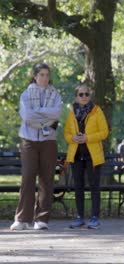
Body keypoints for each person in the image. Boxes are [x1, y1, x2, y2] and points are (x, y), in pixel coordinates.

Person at [10, 63, 62, 231]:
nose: (45, 78)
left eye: (47, 75)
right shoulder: (25, 95)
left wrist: (39, 113)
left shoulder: (56, 95)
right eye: (41, 75)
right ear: (35, 76)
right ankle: (22, 219)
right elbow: (27, 116)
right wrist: (45, 116)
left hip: (49, 141)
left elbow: (56, 115)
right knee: (28, 177)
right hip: (29, 140)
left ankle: (41, 219)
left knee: (47, 179)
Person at [64, 84, 109, 229]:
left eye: (86, 94)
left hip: (93, 155)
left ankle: (95, 217)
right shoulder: (71, 113)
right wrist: (73, 138)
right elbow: (66, 134)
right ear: (76, 97)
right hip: (76, 155)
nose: (84, 97)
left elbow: (104, 132)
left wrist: (87, 138)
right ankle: (79, 217)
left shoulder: (97, 111)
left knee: (94, 186)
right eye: (81, 94)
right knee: (78, 186)